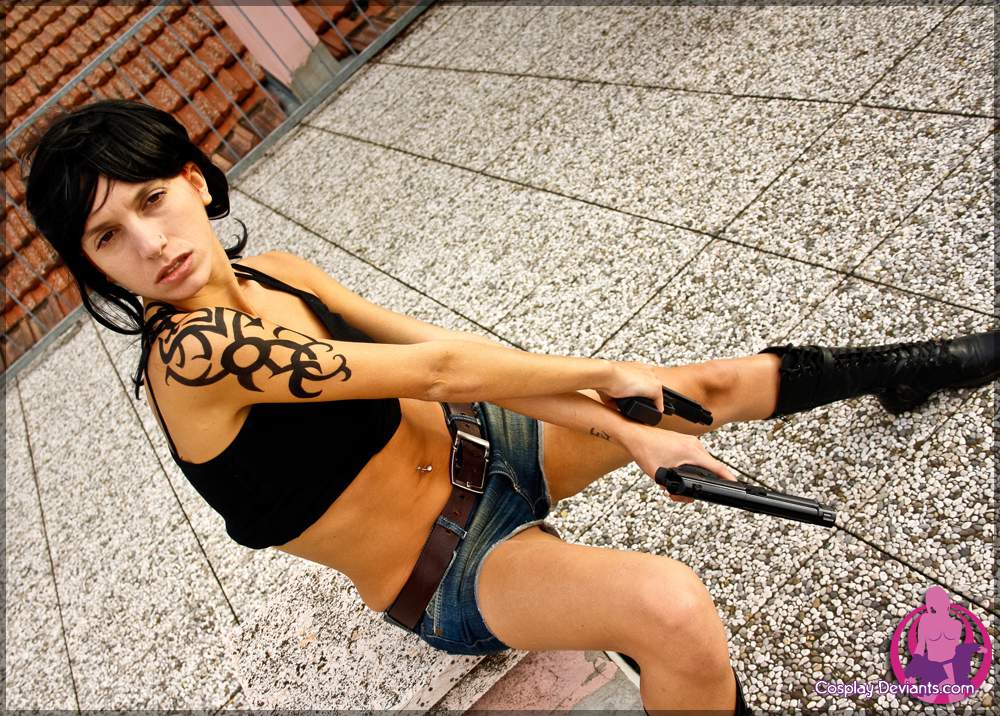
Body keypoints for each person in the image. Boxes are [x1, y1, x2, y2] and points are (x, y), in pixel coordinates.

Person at [21, 99, 997, 714]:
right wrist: (610, 382)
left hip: (486, 445)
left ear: (193, 181)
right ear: (93, 266)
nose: (148, 243)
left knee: (695, 388)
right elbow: (440, 370)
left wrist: (623, 420)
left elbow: (446, 353)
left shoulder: (275, 272)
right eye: (107, 237)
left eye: (151, 199)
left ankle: (913, 365)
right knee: (672, 609)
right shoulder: (194, 354)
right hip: (452, 564)